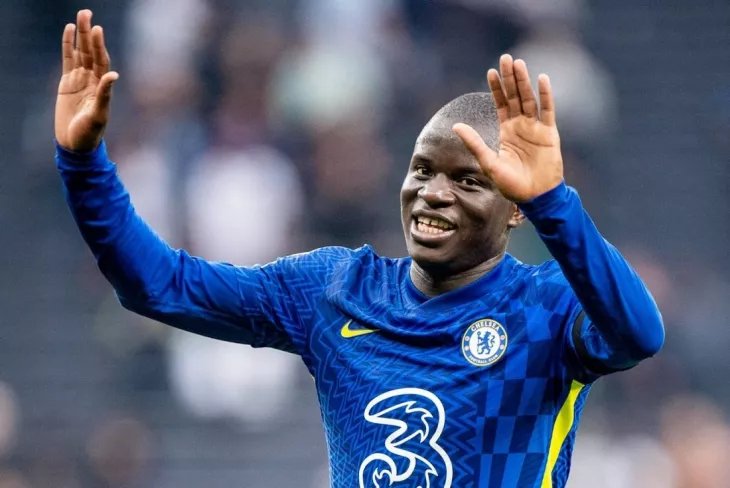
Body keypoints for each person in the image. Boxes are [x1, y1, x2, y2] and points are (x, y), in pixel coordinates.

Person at [54, 9, 664, 488]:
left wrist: (554, 202)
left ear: (514, 210)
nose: (434, 193)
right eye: (422, 170)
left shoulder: (546, 306)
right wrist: (83, 164)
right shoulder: (334, 290)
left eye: (468, 180)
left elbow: (639, 334)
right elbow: (158, 285)